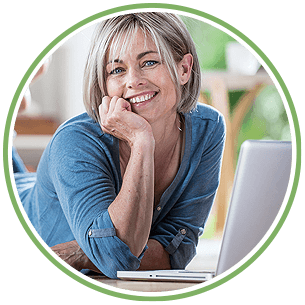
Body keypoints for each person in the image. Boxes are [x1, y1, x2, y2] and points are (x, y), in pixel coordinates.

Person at [13, 13, 226, 279]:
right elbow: (116, 260)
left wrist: (82, 252)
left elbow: (177, 254)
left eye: (149, 62)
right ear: (103, 84)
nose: (133, 80)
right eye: (117, 70)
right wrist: (141, 141)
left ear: (184, 69)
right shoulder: (74, 139)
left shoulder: (209, 128)